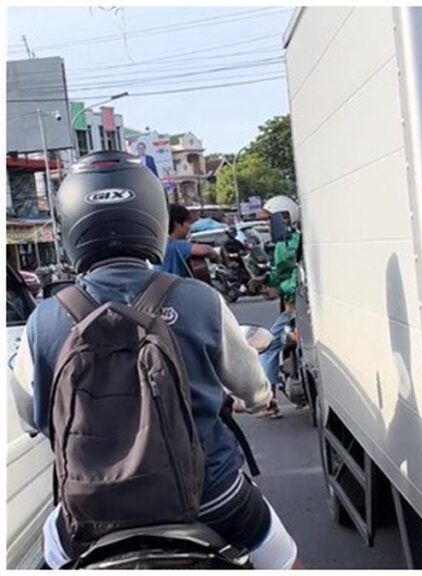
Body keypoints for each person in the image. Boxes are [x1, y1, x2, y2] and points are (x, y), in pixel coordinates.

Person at [9, 151, 300, 569]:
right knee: (286, 560)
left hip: (91, 511)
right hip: (210, 494)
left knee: (51, 559)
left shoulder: (45, 319)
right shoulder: (199, 300)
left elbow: (31, 419)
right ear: (151, 213)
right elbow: (255, 391)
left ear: (69, 224)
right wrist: (252, 401)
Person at [257, 195, 302, 419]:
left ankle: (269, 403)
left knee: (266, 347)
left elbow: (298, 277)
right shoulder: (287, 241)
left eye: (269, 220)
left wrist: (278, 287)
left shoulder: (290, 243)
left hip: (295, 308)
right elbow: (282, 274)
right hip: (292, 305)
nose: (266, 226)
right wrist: (267, 281)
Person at [161, 203, 219, 278]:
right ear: (177, 224)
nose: (189, 227)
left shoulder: (163, 244)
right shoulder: (176, 245)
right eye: (187, 223)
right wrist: (217, 257)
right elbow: (204, 250)